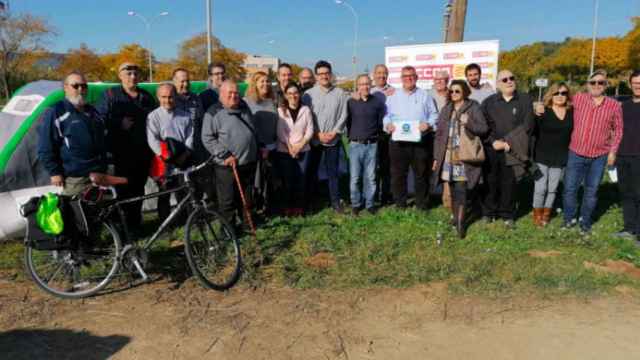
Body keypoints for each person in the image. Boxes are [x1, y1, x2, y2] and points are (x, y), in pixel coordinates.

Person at [536, 70, 623, 233]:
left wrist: (613, 152)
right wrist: (540, 105)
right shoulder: (578, 99)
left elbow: (618, 130)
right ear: (587, 84)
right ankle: (569, 219)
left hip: (599, 155)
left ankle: (585, 221)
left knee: (591, 191)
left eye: (600, 82)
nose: (596, 85)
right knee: (570, 189)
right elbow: (557, 101)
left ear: (605, 85)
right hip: (576, 153)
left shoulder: (614, 105)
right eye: (593, 82)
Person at [97, 63, 157, 229]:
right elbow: (98, 119)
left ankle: (135, 225)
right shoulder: (109, 95)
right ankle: (120, 228)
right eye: (128, 73)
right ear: (120, 75)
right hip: (119, 155)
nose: (132, 76)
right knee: (122, 192)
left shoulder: (145, 97)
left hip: (142, 154)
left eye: (135, 73)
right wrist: (117, 123)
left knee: (139, 190)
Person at [432, 80, 489, 238]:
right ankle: (456, 216)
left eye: (457, 91)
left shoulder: (473, 106)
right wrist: (437, 157)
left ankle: (460, 224)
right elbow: (439, 135)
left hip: (464, 156)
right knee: (452, 190)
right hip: (448, 156)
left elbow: (483, 129)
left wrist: (468, 121)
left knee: (462, 191)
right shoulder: (446, 109)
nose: (454, 94)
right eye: (452, 91)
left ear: (464, 92)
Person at [38, 71, 107, 196]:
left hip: (99, 174)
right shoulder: (56, 111)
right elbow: (45, 146)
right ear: (65, 88)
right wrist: (54, 172)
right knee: (77, 214)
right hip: (76, 179)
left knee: (101, 213)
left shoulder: (93, 111)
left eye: (84, 86)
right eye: (75, 86)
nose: (81, 89)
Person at [481, 70, 534, 227]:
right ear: (498, 84)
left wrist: (508, 142)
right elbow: (484, 125)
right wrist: (493, 142)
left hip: (514, 148)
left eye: (512, 78)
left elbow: (528, 125)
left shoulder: (525, 100)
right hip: (493, 148)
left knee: (509, 183)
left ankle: (507, 214)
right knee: (490, 181)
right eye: (504, 79)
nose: (509, 81)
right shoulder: (488, 102)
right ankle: (488, 212)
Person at [201, 80, 258, 226]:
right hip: (227, 165)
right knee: (227, 200)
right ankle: (229, 230)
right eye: (229, 93)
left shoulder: (244, 107)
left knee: (247, 197)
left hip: (247, 162)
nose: (234, 96)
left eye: (236, 93)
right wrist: (224, 154)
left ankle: (247, 223)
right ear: (221, 94)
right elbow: (207, 138)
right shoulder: (213, 112)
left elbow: (252, 129)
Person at [383, 65, 439, 210]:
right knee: (398, 174)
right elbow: (386, 116)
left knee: (421, 174)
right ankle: (400, 204)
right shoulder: (392, 96)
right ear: (401, 79)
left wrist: (428, 124)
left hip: (419, 142)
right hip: (398, 142)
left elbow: (434, 115)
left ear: (416, 77)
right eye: (405, 76)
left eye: (411, 76)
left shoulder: (425, 95)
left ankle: (422, 205)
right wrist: (387, 124)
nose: (408, 78)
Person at [303, 60, 348, 213]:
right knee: (311, 172)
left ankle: (335, 202)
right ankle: (311, 202)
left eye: (326, 73)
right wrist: (317, 134)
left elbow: (344, 115)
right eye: (320, 74)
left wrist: (335, 132)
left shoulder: (340, 93)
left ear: (331, 74)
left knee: (332, 173)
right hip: (315, 140)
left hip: (333, 139)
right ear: (316, 76)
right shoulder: (308, 95)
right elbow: (306, 117)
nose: (324, 76)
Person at [147, 83, 194, 222]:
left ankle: (187, 220)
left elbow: (190, 135)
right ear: (158, 97)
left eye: (170, 97)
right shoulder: (153, 116)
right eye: (164, 97)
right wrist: (165, 156)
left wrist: (185, 153)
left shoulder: (185, 116)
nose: (167, 100)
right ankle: (165, 222)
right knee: (164, 194)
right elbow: (152, 139)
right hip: (164, 162)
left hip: (183, 159)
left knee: (183, 191)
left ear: (176, 97)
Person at [531, 83, 573, 227]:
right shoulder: (543, 111)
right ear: (551, 95)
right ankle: (537, 213)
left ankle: (546, 214)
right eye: (557, 93)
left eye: (563, 93)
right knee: (540, 188)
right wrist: (536, 108)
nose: (560, 96)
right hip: (542, 155)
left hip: (560, 156)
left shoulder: (571, 112)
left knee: (552, 188)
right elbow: (532, 130)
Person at [347, 74, 385, 215]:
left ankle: (369, 204)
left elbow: (381, 123)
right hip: (355, 145)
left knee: (370, 177)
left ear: (371, 85)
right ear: (358, 86)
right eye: (362, 84)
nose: (365, 87)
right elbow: (348, 121)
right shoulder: (351, 102)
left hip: (372, 145)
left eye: (367, 84)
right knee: (355, 177)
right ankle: (356, 204)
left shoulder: (377, 102)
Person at [275, 82, 314, 216]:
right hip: (285, 151)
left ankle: (299, 207)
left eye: (295, 93)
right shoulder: (281, 111)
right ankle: (287, 207)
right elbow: (280, 132)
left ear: (300, 94)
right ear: (286, 95)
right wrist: (290, 147)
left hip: (303, 150)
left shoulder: (306, 110)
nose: (293, 96)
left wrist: (300, 145)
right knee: (287, 180)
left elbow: (310, 130)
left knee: (301, 180)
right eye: (290, 93)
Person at [244, 71, 278, 213]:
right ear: (255, 84)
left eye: (267, 81)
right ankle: (256, 208)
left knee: (270, 179)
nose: (265, 84)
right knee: (257, 181)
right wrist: (260, 146)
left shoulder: (272, 101)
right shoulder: (247, 102)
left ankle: (269, 206)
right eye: (261, 81)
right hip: (257, 148)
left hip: (273, 146)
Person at [614, 70, 640, 242]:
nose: (638, 86)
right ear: (630, 84)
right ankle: (629, 228)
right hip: (623, 156)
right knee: (627, 192)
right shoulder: (623, 105)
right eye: (635, 83)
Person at [371, 64, 395, 205]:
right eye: (379, 73)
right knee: (372, 167)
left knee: (387, 167)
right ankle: (373, 195)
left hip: (388, 134)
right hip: (372, 133)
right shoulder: (369, 91)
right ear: (374, 75)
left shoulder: (394, 91)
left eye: (384, 73)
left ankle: (386, 195)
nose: (381, 76)